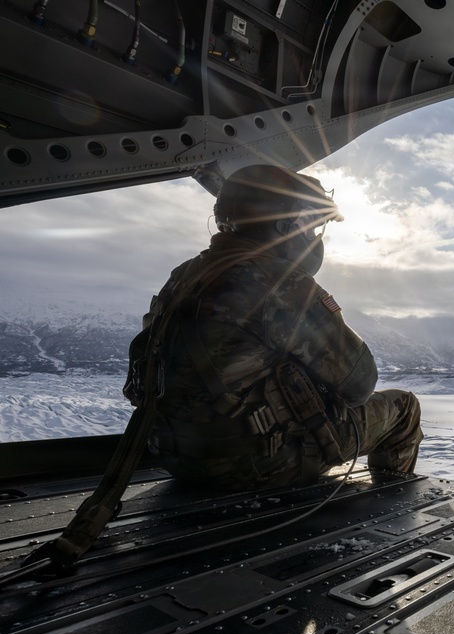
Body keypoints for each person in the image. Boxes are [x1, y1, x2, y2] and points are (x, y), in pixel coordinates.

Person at [123, 165, 423, 490]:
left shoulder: (186, 273)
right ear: (280, 224)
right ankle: (391, 509)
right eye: (306, 225)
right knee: (403, 407)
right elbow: (359, 384)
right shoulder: (281, 281)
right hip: (256, 464)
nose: (311, 237)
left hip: (174, 456)